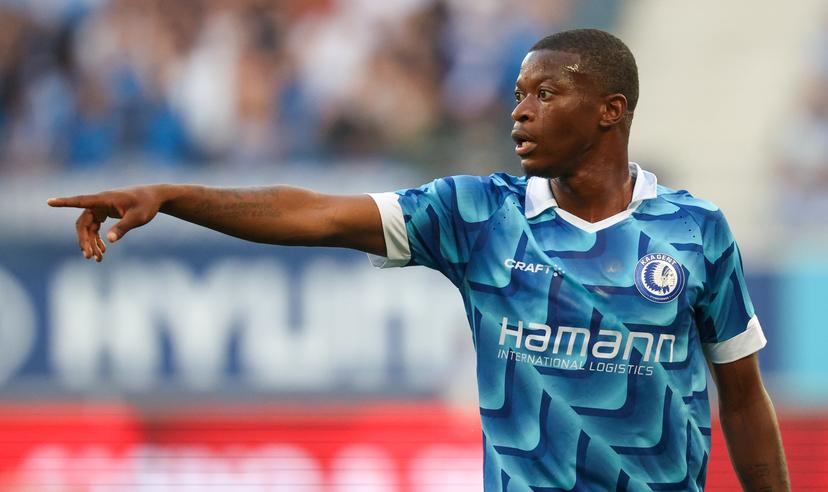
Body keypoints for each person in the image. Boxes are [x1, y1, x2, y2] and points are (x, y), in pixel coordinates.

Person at [48, 28, 790, 491]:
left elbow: (745, 396)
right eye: (517, 93)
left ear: (610, 109)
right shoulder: (478, 214)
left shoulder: (694, 231)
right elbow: (314, 214)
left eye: (546, 93)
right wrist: (174, 194)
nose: (519, 111)